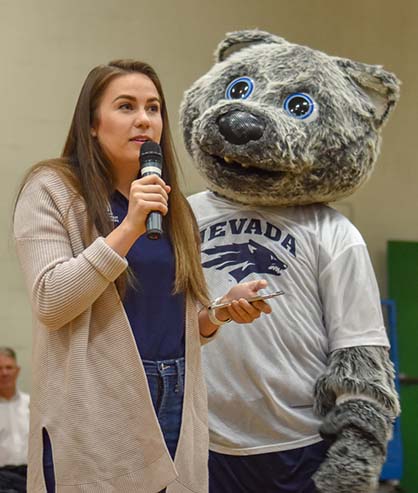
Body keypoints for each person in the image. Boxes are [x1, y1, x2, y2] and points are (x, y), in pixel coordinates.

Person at [13, 59, 272, 493]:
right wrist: (129, 226)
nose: (144, 120)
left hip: (176, 391)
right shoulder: (53, 188)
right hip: (97, 395)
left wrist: (222, 312)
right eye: (126, 106)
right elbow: (52, 301)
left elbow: (185, 319)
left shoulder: (174, 206)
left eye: (153, 108)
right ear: (92, 123)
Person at [0, 347, 30, 493]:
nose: (4, 373)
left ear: (17, 370)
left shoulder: (33, 405)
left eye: (8, 367)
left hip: (30, 476)